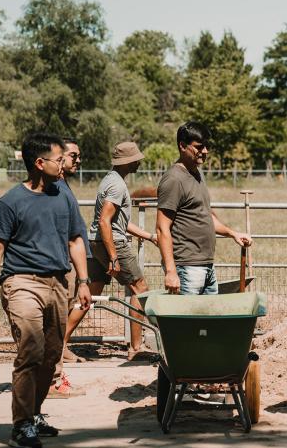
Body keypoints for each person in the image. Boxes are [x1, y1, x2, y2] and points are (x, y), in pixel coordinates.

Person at [0, 132, 92, 448]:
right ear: (40, 164)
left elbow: (74, 240)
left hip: (58, 282)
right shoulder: (12, 201)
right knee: (31, 349)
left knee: (51, 356)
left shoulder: (63, 196)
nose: (64, 163)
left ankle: (35, 413)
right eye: (59, 159)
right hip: (21, 282)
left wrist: (83, 281)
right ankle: (21, 424)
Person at [63, 141, 159, 360]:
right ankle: (135, 348)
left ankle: (60, 345)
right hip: (111, 244)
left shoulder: (110, 179)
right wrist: (114, 257)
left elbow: (117, 222)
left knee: (91, 294)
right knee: (140, 289)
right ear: (128, 162)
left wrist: (149, 236)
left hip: (96, 242)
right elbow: (106, 222)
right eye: (136, 159)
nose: (139, 162)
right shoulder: (117, 186)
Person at [156, 122, 251, 295]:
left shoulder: (197, 174)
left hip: (206, 266)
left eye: (207, 146)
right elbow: (162, 228)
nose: (205, 151)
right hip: (186, 267)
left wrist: (233, 234)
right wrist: (171, 271)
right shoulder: (174, 179)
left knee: (207, 321)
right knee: (186, 321)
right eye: (199, 147)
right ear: (182, 146)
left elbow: (205, 216)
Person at [48, 137, 89, 398]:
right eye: (73, 155)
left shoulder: (62, 186)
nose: (77, 160)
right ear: (60, 158)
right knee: (54, 324)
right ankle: (53, 382)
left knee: (59, 322)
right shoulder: (55, 188)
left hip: (69, 263)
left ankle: (55, 377)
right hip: (61, 264)